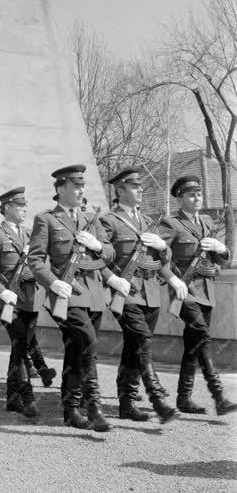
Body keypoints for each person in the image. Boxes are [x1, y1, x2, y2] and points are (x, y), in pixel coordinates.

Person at [28, 164, 116, 431]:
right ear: (61, 188)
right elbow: (35, 259)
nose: (81, 191)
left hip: (94, 295)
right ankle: (94, 407)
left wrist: (98, 245)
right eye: (76, 186)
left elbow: (109, 254)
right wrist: (53, 283)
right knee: (88, 343)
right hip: (67, 295)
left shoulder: (92, 218)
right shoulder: (47, 219)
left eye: (82, 186)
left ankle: (70, 408)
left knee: (77, 349)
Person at [100, 167, 181, 423]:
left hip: (151, 293)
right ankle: (157, 398)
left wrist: (162, 246)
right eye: (135, 186)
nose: (141, 190)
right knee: (143, 341)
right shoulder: (108, 221)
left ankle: (126, 402)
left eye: (141, 186)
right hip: (126, 293)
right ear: (120, 189)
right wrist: (112, 280)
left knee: (134, 346)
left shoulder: (148, 222)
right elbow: (98, 256)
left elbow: (163, 259)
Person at [0, 187, 57, 415]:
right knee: (20, 342)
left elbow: (41, 264)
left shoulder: (30, 234)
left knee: (19, 347)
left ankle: (12, 398)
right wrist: (0, 292)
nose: (25, 209)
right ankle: (27, 396)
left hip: (30, 298)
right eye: (20, 206)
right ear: (7, 208)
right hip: (8, 302)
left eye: (25, 205)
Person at [160, 175, 236, 416]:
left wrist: (222, 249)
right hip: (184, 292)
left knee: (193, 344)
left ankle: (184, 398)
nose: (197, 197)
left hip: (206, 291)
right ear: (180, 199)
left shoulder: (206, 222)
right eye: (191, 194)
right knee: (202, 335)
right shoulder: (171, 223)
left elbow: (222, 260)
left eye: (199, 193)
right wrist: (171, 279)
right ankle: (219, 395)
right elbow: (155, 257)